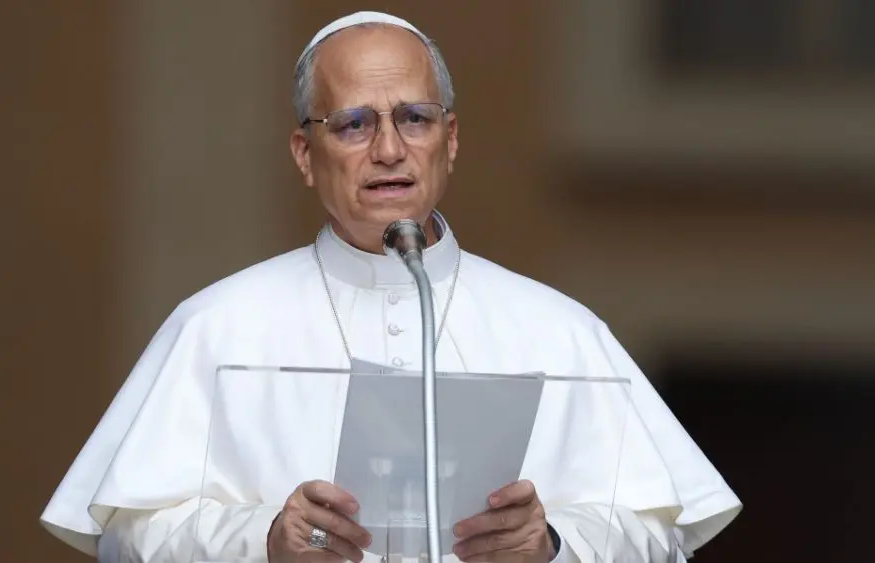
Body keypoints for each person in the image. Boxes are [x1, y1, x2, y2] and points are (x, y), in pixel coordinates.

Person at [40, 11, 741, 563]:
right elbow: (124, 538)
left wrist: (551, 545)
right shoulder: (216, 325)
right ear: (304, 155)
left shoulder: (561, 330)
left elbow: (663, 539)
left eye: (413, 117)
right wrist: (264, 540)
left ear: (451, 139)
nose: (387, 149)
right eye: (352, 124)